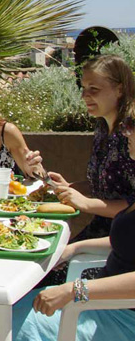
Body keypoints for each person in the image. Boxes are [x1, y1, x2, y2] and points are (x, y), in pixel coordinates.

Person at [0, 200, 135, 341]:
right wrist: (75, 248)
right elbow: (125, 241)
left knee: (6, 324)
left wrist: (74, 290)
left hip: (121, 317)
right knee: (2, 315)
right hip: (101, 301)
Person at [27, 55, 135, 243]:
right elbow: (109, 184)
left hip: (122, 241)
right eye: (83, 88)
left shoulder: (130, 134)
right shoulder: (102, 128)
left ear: (120, 90)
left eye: (94, 89)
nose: (84, 96)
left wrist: (85, 203)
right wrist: (71, 187)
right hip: (101, 232)